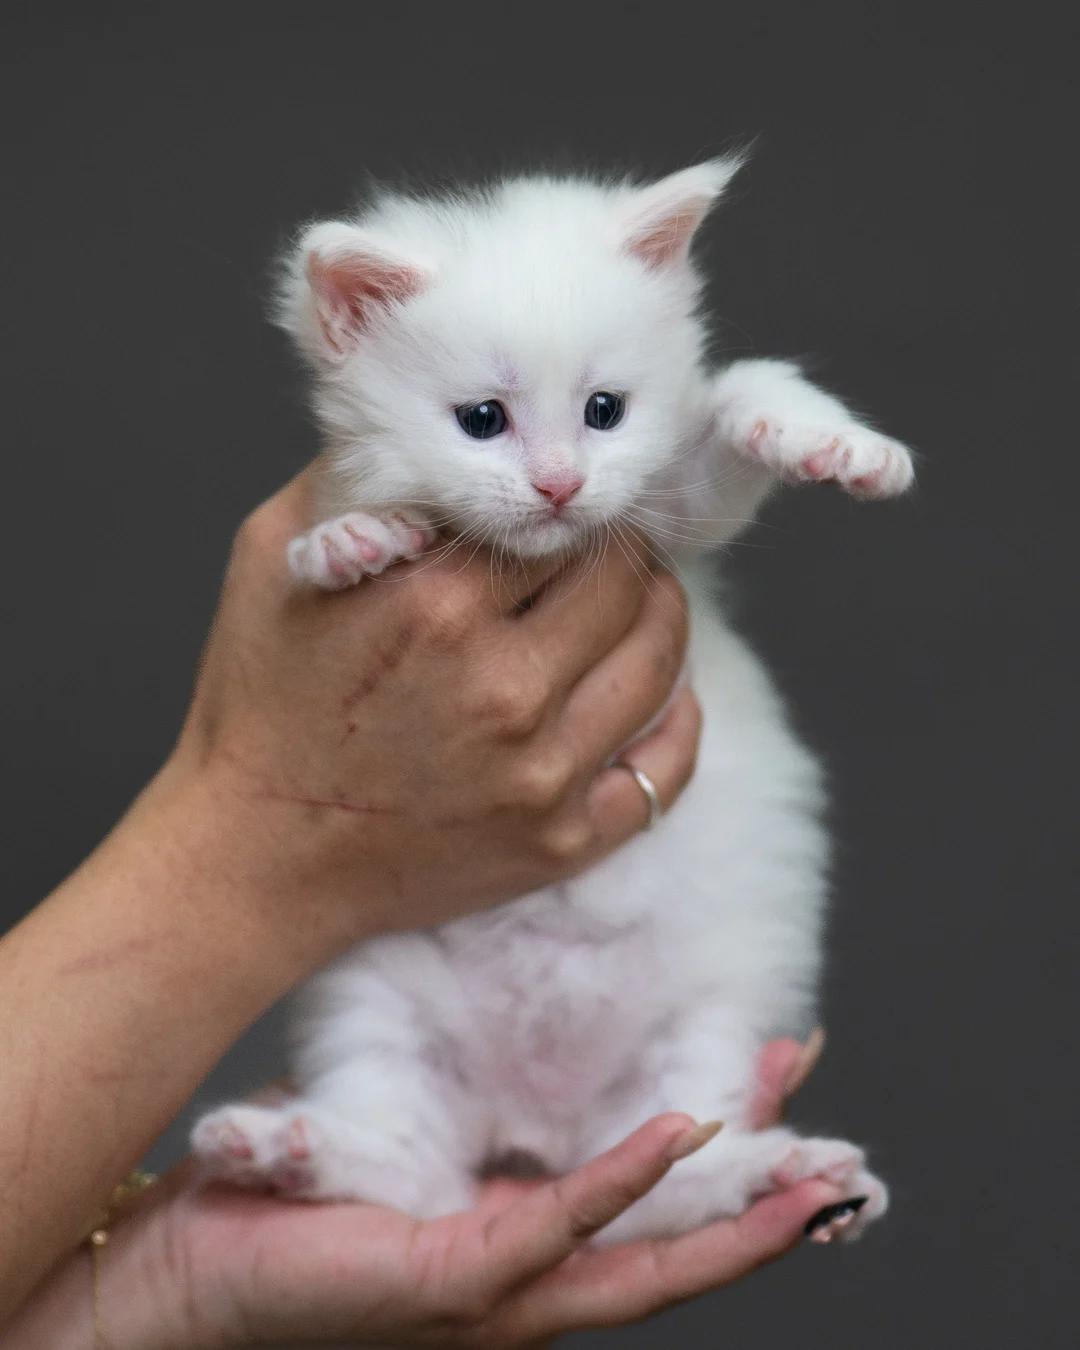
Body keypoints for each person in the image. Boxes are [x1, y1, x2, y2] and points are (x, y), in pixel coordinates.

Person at [0, 472, 845, 1347]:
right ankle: (386, 1138)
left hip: (646, 977)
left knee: (708, 1007)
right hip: (452, 995)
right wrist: (165, 1281)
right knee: (376, 980)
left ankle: (687, 1153)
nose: (555, 473)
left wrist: (166, 1282)